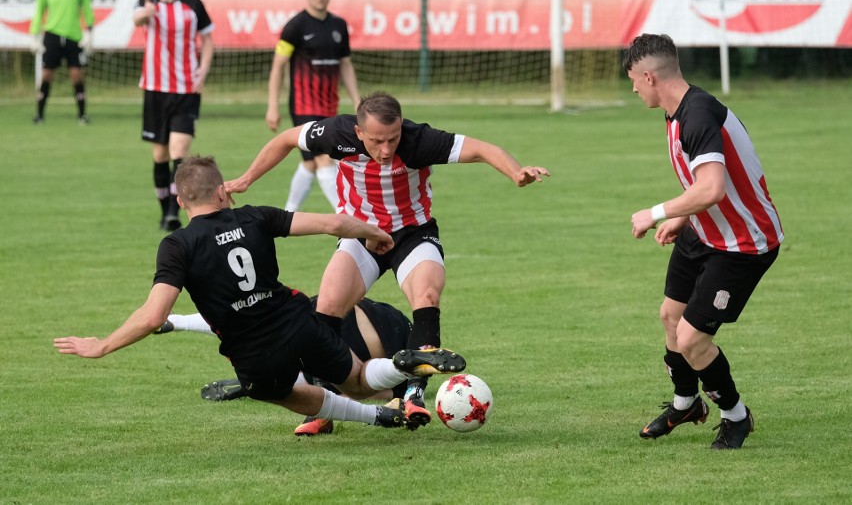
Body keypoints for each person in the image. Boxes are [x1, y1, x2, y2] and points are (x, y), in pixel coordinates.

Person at [53, 156, 467, 433]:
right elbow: (331, 223)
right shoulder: (256, 216)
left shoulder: (177, 245)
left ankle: (377, 417)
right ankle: (403, 364)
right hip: (297, 320)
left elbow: (151, 315)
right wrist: (374, 232)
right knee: (359, 378)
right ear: (222, 191)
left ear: (180, 201)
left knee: (278, 392)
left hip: (252, 350)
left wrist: (103, 346)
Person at [225, 90, 548, 420]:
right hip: (361, 234)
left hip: (412, 233)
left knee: (427, 294)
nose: (386, 149)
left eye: (392, 139)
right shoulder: (337, 133)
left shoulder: (418, 140)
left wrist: (515, 172)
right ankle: (323, 404)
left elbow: (480, 149)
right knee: (327, 307)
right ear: (359, 132)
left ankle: (413, 394)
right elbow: (288, 138)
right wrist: (248, 178)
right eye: (377, 141)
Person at [623, 33, 783, 450]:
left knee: (693, 338)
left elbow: (711, 187)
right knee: (671, 317)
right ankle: (686, 403)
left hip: (744, 242)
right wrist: (683, 217)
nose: (634, 89)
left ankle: (736, 416)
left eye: (634, 82)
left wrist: (658, 212)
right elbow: (706, 187)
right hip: (705, 231)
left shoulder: (697, 115)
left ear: (648, 76)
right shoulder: (677, 112)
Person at [157, 296, 413, 436]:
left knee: (260, 331)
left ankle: (263, 382)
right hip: (367, 336)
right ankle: (267, 383)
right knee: (356, 385)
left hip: (337, 322)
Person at [133, 0, 215, 232]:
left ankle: (172, 212)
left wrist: (203, 70)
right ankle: (164, 210)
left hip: (186, 89)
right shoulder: (147, 3)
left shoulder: (193, 3)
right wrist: (145, 14)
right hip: (156, 90)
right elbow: (137, 19)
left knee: (180, 150)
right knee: (160, 155)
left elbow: (208, 39)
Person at [266, 0, 360, 213]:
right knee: (323, 159)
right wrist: (273, 106)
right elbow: (278, 66)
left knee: (309, 164)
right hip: (303, 106)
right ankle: (346, 214)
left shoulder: (339, 25)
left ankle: (288, 213)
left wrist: (357, 100)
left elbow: (346, 64)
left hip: (329, 105)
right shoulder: (295, 26)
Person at [29, 0, 95, 126]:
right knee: (47, 74)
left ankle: (82, 115)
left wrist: (89, 32)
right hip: (52, 35)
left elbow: (87, 9)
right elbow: (39, 12)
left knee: (76, 75)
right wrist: (34, 35)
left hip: (74, 37)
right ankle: (40, 114)